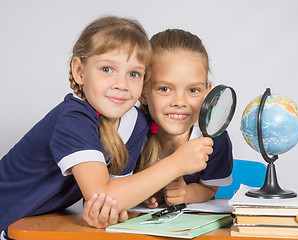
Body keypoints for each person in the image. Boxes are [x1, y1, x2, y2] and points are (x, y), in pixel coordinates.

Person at [0, 17, 213, 239]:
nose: (121, 84)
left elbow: (109, 200)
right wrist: (177, 163)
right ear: (80, 71)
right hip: (7, 221)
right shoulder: (73, 119)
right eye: (107, 69)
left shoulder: (136, 123)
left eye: (133, 74)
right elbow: (104, 193)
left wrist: (105, 211)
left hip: (39, 224)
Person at [83, 28, 233, 227]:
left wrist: (185, 193)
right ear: (143, 92)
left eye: (193, 90)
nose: (180, 101)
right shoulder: (128, 131)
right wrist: (140, 194)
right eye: (164, 89)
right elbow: (101, 193)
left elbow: (209, 189)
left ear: (207, 92)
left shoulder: (215, 140)